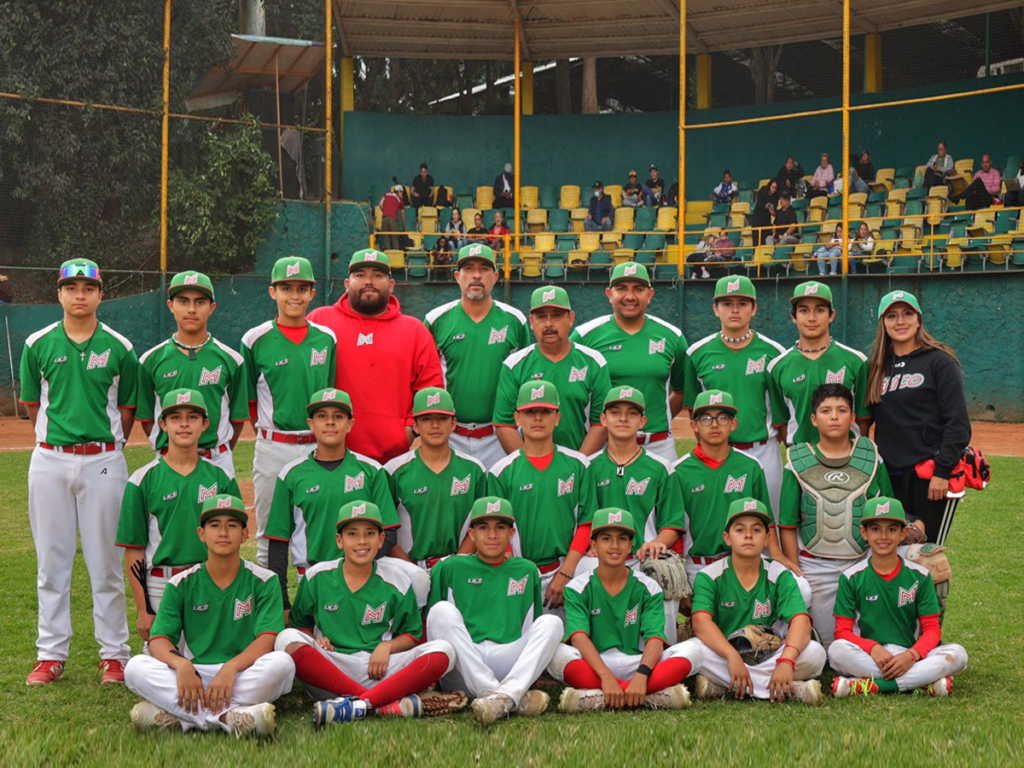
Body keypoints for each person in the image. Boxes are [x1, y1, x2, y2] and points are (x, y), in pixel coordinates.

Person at [20, 259, 137, 686]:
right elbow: (34, 408)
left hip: (103, 459)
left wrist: (103, 445)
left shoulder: (121, 347)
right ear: (59, 293)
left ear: (100, 294)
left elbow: (127, 410)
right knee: (52, 563)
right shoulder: (37, 343)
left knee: (105, 563)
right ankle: (51, 654)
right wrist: (62, 441)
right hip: (49, 459)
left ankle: (114, 656)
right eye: (72, 287)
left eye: (88, 287)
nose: (80, 294)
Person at [274, 501, 467, 724]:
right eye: (352, 534)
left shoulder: (397, 579)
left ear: (381, 540)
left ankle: (354, 706)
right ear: (340, 540)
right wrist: (316, 640)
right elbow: (300, 625)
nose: (362, 541)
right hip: (332, 673)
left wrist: (388, 646)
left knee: (444, 651)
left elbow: (412, 635)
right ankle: (377, 705)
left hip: (381, 672)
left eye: (370, 533)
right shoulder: (317, 576)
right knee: (285, 639)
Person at [123, 494, 294, 735]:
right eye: (214, 525)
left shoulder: (265, 580)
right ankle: (230, 717)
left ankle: (186, 719)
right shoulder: (180, 583)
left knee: (282, 664)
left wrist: (231, 668)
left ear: (244, 534)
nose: (223, 532)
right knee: (135, 667)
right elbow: (159, 639)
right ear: (202, 534)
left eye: (232, 525)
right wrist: (181, 664)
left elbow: (267, 639)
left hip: (243, 671)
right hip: (196, 674)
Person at [264, 388, 429, 608]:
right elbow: (278, 543)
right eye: (322, 416)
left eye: (338, 416)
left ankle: (415, 632)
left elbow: (388, 532)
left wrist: (355, 564)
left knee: (418, 578)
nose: (330, 422)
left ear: (350, 424)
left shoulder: (371, 470)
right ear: (311, 424)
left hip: (367, 569)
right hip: (315, 575)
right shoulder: (291, 474)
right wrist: (283, 603)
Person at [548, 508, 704, 713]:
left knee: (695, 650)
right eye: (606, 538)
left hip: (637, 664)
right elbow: (579, 638)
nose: (614, 545)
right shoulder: (577, 587)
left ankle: (597, 698)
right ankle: (649, 696)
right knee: (554, 653)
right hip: (595, 665)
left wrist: (641, 675)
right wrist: (605, 677)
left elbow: (655, 637)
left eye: (622, 538)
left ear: (631, 545)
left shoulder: (649, 586)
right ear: (593, 545)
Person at [426, 496, 564, 726]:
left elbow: (532, 628)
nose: (492, 535)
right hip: (464, 665)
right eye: (483, 527)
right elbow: (435, 628)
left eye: (500, 527)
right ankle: (506, 697)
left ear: (511, 534)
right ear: (471, 534)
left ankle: (502, 696)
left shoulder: (527, 570)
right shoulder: (450, 567)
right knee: (440, 611)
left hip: (509, 661)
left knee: (552, 623)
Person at [117, 389, 240, 644]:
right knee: (157, 667)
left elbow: (233, 544)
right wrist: (143, 610)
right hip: (161, 584)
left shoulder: (222, 478)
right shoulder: (142, 480)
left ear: (205, 424)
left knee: (213, 660)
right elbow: (134, 549)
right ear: (162, 424)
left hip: (210, 581)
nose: (184, 424)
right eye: (175, 417)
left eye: (193, 417)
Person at [777, 383, 895, 645]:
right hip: (816, 564)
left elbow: (889, 513)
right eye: (826, 410)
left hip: (861, 562)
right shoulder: (797, 459)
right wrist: (796, 571)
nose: (833, 416)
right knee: (831, 645)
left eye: (842, 410)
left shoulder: (871, 456)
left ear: (853, 418)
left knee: (874, 639)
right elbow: (786, 523)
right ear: (813, 419)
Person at [241, 256, 337, 567]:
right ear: (273, 292)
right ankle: (271, 610)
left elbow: (330, 393)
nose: (294, 296)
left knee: (321, 534)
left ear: (312, 292)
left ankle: (319, 611)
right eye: (286, 288)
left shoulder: (327, 339)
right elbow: (251, 403)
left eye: (301, 288)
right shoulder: (255, 340)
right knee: (270, 535)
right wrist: (271, 434)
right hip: (274, 447)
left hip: (318, 447)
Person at [308, 248, 443, 464]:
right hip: (330, 453)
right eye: (360, 275)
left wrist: (407, 433)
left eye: (378, 275)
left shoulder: (415, 330)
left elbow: (429, 391)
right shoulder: (320, 322)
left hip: (394, 457)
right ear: (346, 283)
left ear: (391, 285)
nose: (368, 281)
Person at [689, 498, 825, 704]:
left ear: (767, 538)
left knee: (815, 653)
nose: (748, 536)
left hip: (768, 656)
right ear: (727, 537)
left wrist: (786, 661)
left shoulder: (779, 574)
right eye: (740, 530)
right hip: (724, 656)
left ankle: (724, 687)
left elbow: (801, 620)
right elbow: (700, 623)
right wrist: (731, 655)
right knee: (690, 651)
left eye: (756, 530)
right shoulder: (709, 575)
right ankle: (786, 689)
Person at [828, 497, 968, 698]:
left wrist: (911, 655)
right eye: (875, 529)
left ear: (903, 533)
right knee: (836, 651)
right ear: (864, 533)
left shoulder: (919, 575)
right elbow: (842, 631)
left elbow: (931, 628)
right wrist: (873, 648)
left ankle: (872, 685)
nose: (883, 536)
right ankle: (920, 684)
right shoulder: (851, 577)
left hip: (909, 654)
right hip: (870, 656)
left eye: (892, 529)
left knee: (958, 655)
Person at [866, 291, 971, 545]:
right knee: (891, 554)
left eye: (907, 314)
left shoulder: (939, 361)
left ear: (918, 319)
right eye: (892, 316)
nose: (900, 321)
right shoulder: (876, 366)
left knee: (927, 555)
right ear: (883, 323)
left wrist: (942, 472)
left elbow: (958, 425)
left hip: (930, 476)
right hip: (889, 476)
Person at [584, 386, 687, 641]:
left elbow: (672, 524)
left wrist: (658, 543)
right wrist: (591, 544)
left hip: (642, 555)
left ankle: (664, 648)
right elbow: (582, 518)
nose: (622, 418)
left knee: (662, 570)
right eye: (615, 412)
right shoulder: (588, 466)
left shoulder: (661, 468)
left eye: (631, 413)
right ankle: (589, 645)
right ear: (603, 418)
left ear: (642, 421)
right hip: (599, 555)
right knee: (579, 572)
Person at [488, 381, 598, 616]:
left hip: (567, 568)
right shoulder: (501, 471)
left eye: (545, 412)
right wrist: (515, 572)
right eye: (530, 412)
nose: (538, 418)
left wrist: (566, 572)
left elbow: (587, 522)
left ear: (557, 418)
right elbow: (496, 531)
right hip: (518, 570)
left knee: (598, 569)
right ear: (517, 418)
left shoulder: (579, 464)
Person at [673, 390, 801, 589]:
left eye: (723, 418)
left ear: (733, 424)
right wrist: (680, 574)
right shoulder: (679, 471)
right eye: (706, 418)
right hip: (699, 565)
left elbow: (766, 516)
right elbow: (675, 527)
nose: (714, 424)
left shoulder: (750, 466)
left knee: (801, 589)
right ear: (694, 425)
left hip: (745, 561)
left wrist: (775, 552)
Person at [683, 276, 789, 514]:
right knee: (720, 519)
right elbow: (694, 411)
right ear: (715, 309)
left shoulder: (774, 353)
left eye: (742, 303)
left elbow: (782, 413)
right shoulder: (696, 353)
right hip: (718, 451)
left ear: (754, 309)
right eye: (727, 303)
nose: (734, 309)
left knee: (769, 520)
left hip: (763, 450)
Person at [424, 244, 530, 467]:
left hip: (499, 437)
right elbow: (426, 381)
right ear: (457, 276)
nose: (476, 275)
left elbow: (523, 381)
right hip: (450, 435)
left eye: (484, 269)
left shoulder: (515, 320)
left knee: (497, 502)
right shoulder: (435, 320)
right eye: (469, 268)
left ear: (496, 276)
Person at [136, 271, 246, 478]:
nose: (191, 309)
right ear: (171, 306)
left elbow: (237, 418)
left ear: (212, 308)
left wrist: (216, 449)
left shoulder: (232, 360)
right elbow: (146, 418)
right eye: (183, 301)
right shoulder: (149, 360)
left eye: (200, 302)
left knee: (220, 512)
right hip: (168, 460)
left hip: (217, 460)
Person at [571, 263, 686, 462]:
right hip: (604, 444)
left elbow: (682, 391)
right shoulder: (584, 336)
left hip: (658, 445)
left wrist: (651, 421)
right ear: (609, 293)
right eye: (622, 288)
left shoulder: (672, 337)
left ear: (649, 294)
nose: (630, 296)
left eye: (638, 289)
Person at [493, 286, 611, 455]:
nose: (549, 324)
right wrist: (528, 466)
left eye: (556, 315)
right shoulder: (514, 364)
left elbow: (601, 423)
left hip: (580, 462)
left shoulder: (594, 362)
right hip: (530, 467)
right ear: (532, 322)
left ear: (570, 319)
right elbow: (504, 425)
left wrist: (579, 463)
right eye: (541, 317)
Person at [384, 387, 488, 570]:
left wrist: (457, 564)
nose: (434, 425)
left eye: (442, 418)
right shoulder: (393, 470)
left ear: (453, 423)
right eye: (426, 419)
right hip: (409, 568)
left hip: (459, 566)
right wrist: (411, 571)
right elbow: (384, 531)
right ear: (415, 426)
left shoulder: (474, 469)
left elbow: (482, 523)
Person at [767, 281, 872, 446]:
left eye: (820, 310)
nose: (811, 318)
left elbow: (863, 418)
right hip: (801, 455)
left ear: (831, 315)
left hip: (846, 455)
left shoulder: (856, 361)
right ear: (794, 316)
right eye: (803, 310)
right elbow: (781, 420)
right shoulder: (778, 366)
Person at [750, 180, 778, 245]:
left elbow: (774, 210)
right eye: (773, 187)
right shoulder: (763, 190)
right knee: (756, 242)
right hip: (757, 220)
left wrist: (773, 212)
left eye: (775, 188)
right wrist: (765, 206)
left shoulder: (775, 196)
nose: (774, 190)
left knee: (765, 241)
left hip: (766, 221)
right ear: (770, 186)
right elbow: (759, 203)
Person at [378, 184, 405, 251]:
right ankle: (396, 256)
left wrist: (384, 211)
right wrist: (404, 227)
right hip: (393, 219)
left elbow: (380, 204)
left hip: (384, 218)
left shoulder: (386, 194)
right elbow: (402, 215)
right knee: (395, 238)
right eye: (401, 192)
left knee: (386, 238)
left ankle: (388, 255)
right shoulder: (400, 200)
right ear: (399, 191)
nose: (402, 194)